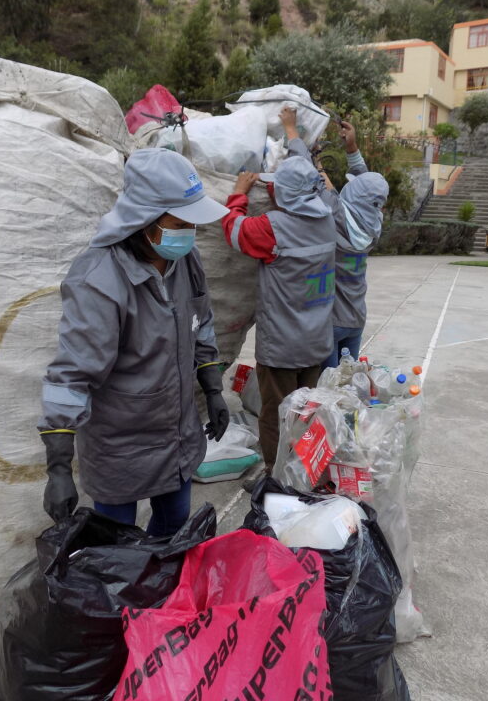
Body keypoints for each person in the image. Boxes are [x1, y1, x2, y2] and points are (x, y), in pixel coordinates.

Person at [38, 148, 231, 535]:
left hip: (177, 436)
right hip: (120, 447)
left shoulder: (186, 262)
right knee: (118, 545)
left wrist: (213, 389)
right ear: (146, 219)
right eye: (181, 222)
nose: (190, 233)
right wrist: (59, 469)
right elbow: (72, 375)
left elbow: (202, 323)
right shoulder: (99, 280)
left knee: (175, 527)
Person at [221, 107, 336, 483]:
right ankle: (308, 469)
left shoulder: (273, 228)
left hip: (283, 347)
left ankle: (278, 475)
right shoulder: (327, 217)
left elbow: (235, 230)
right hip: (316, 341)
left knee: (276, 412)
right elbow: (306, 179)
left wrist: (238, 194)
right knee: (307, 411)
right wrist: (291, 133)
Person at [320, 121, 390, 367]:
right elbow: (367, 189)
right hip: (355, 320)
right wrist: (352, 148)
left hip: (332, 322)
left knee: (327, 391)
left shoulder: (337, 216)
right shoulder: (373, 225)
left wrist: (302, 140)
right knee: (346, 388)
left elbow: (318, 177)